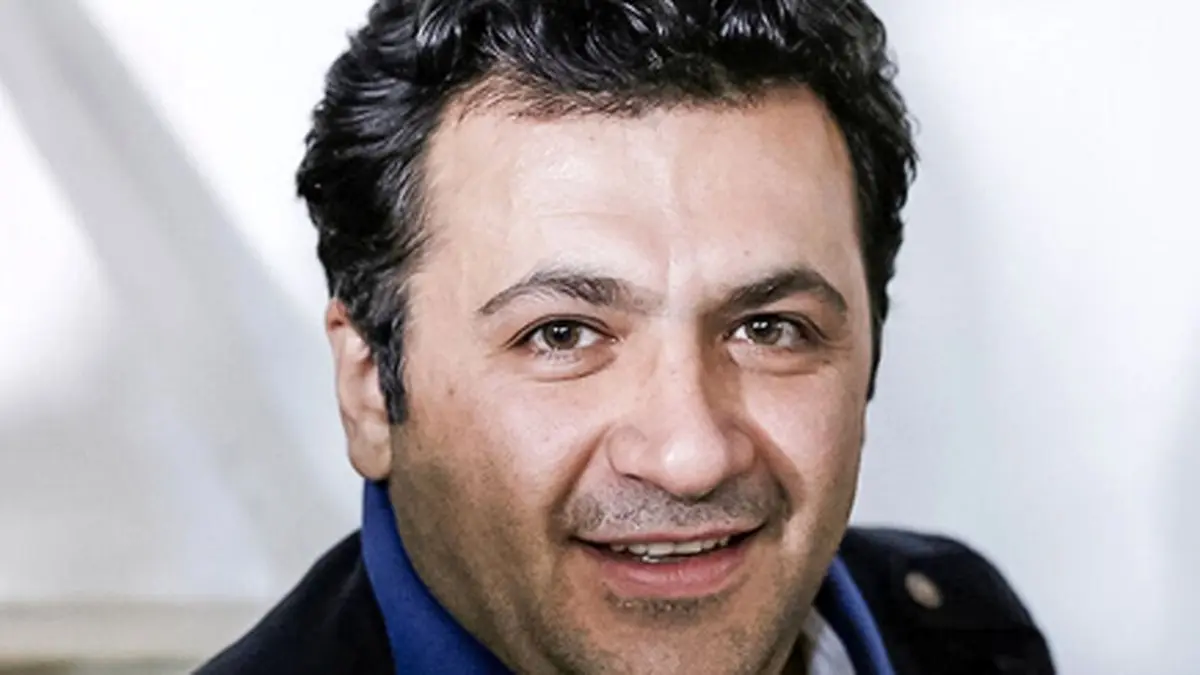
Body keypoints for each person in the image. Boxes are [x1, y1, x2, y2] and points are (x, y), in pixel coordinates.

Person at [199, 1, 1055, 673]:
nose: (691, 456)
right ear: (368, 388)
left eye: (769, 327)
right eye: (562, 335)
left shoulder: (962, 631)